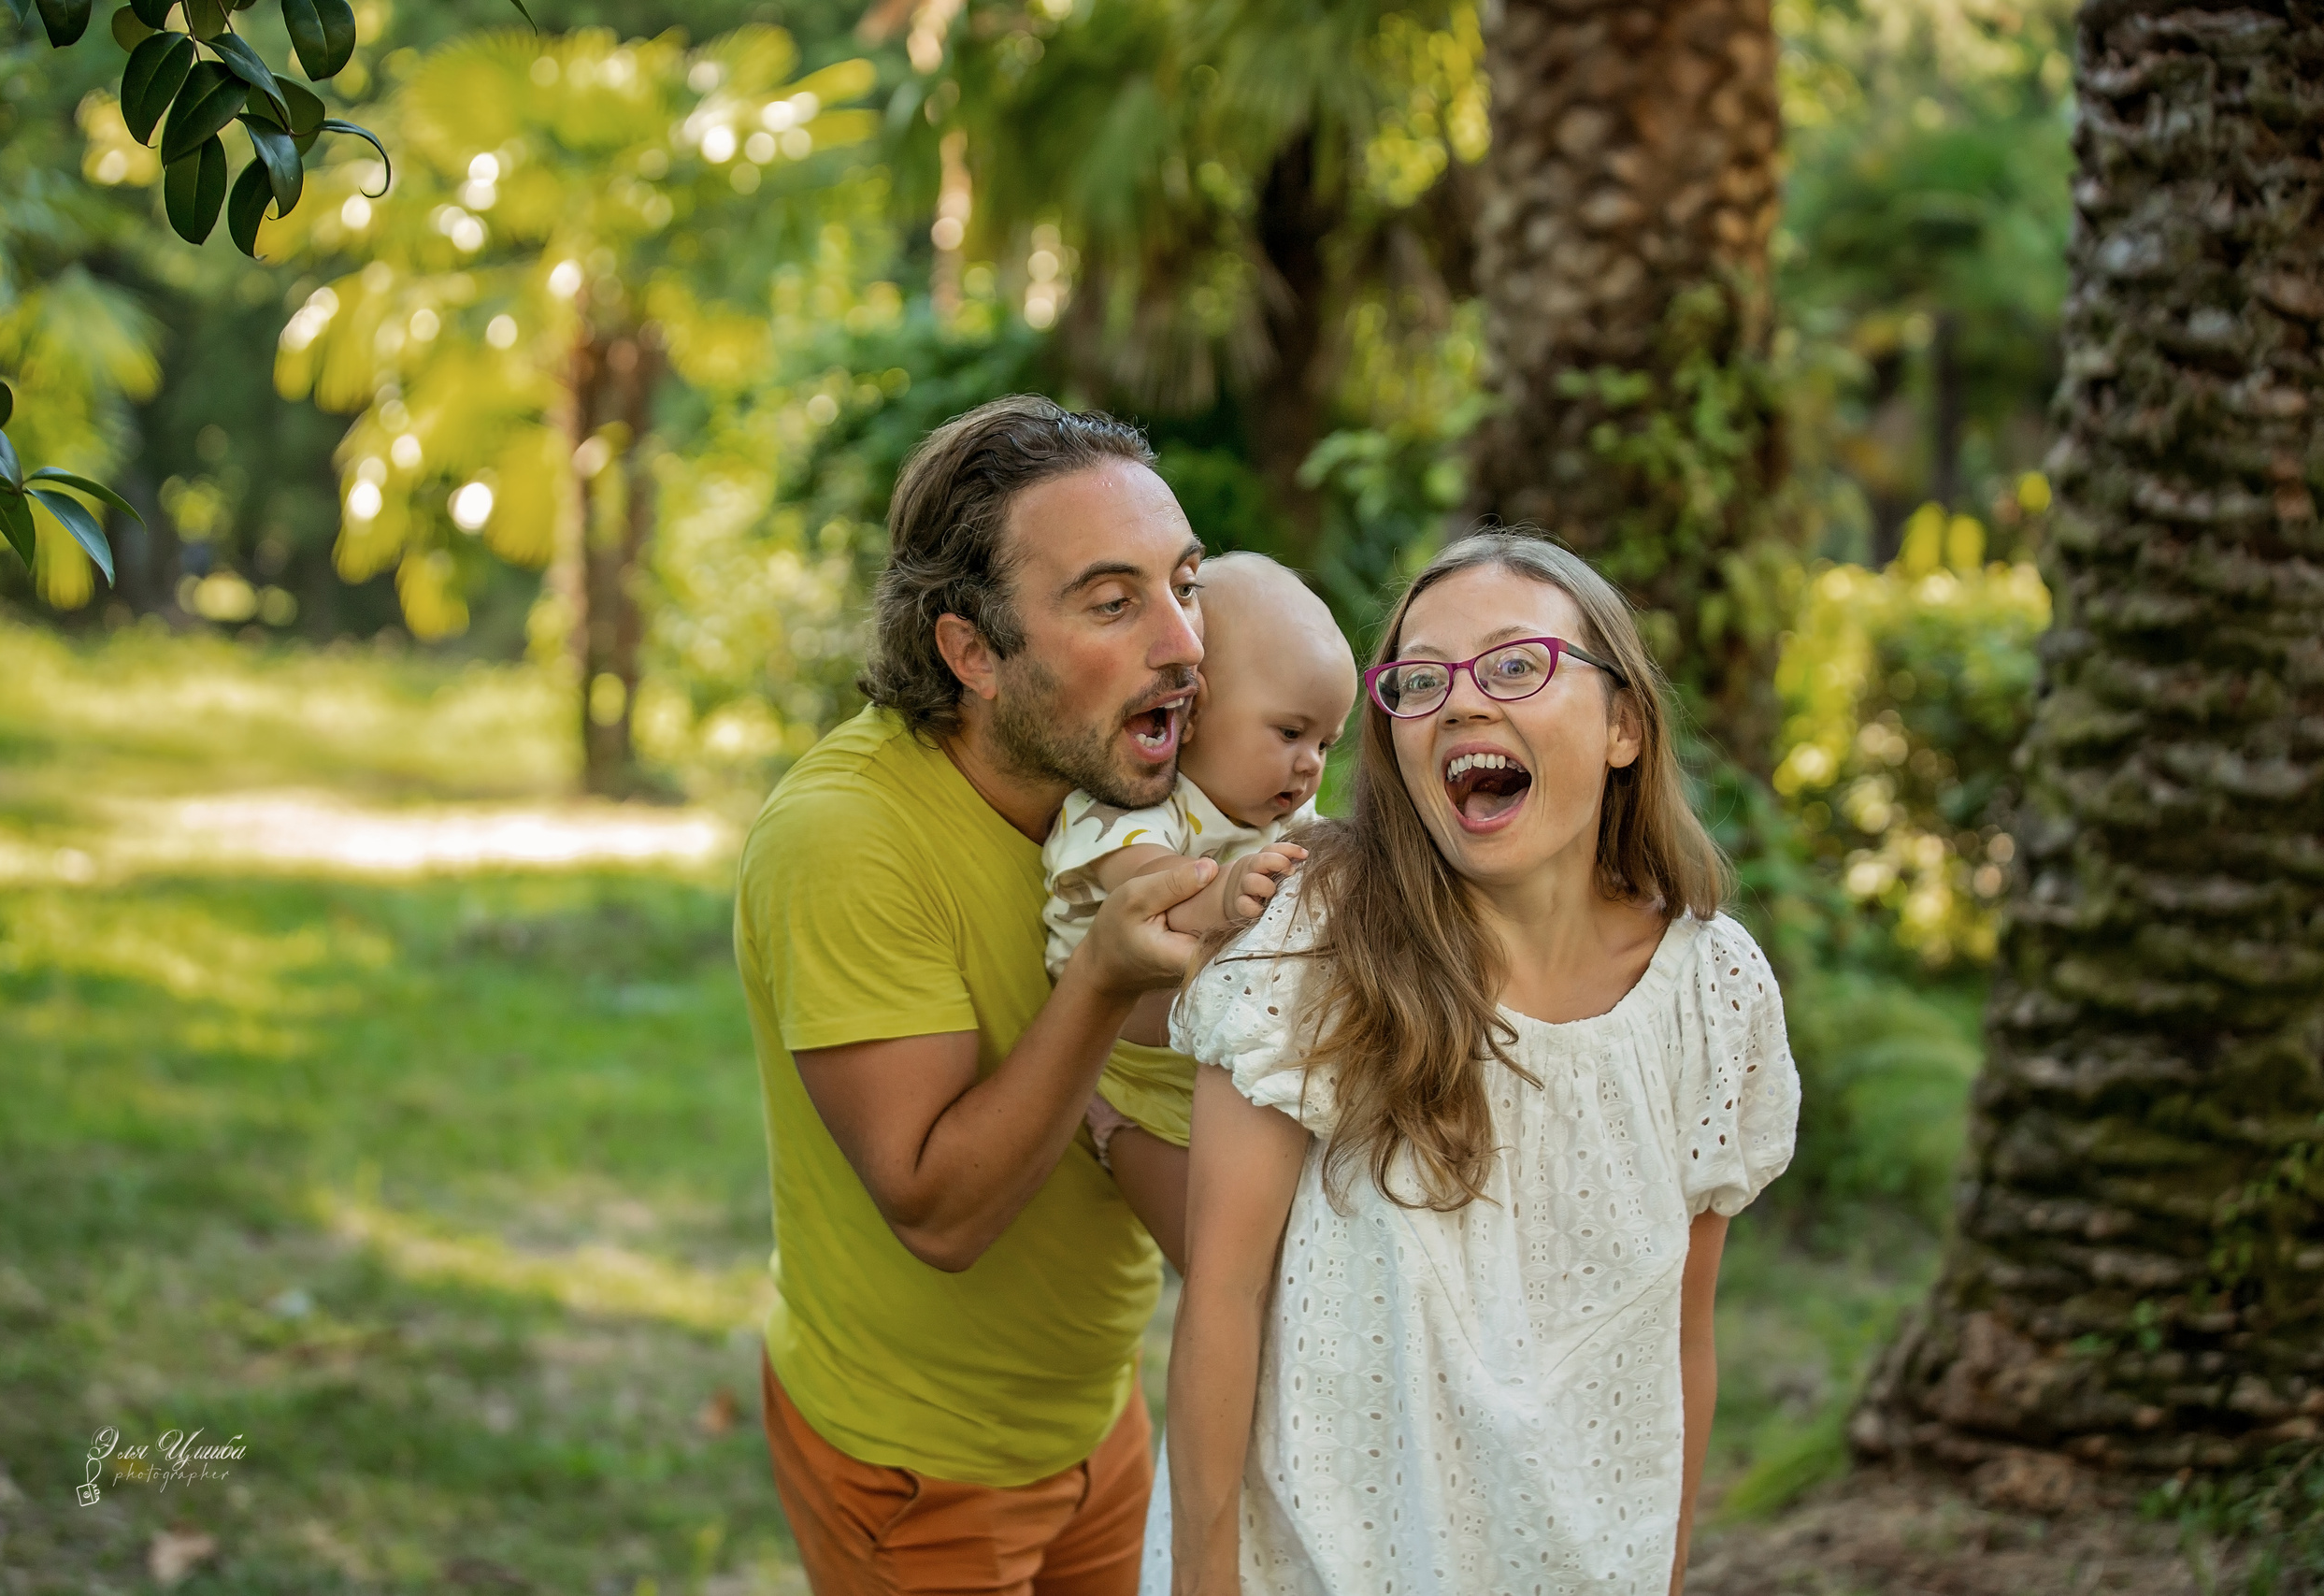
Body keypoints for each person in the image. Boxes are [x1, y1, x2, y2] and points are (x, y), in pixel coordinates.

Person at [1155, 531, 1800, 1596]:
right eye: (1420, 681)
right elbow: (1219, 1299)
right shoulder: (1315, 941)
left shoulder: (1712, 991)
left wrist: (1666, 1572)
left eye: (1514, 666)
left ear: (1623, 724)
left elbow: (1681, 1339)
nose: (1460, 704)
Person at [734, 395, 1224, 1596]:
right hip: (920, 1468)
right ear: (971, 654)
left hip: (1097, 1418)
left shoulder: (1127, 778)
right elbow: (938, 1212)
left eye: (1186, 582)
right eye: (1112, 603)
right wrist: (1103, 978)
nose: (1184, 642)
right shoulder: (847, 842)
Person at [1040, 553, 1358, 1270]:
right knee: (1215, 1263)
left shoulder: (1280, 812)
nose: (1310, 764)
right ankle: (1108, 1134)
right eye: (1289, 732)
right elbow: (1146, 892)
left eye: (1326, 743)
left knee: (1291, 1265)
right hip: (1132, 1080)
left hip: (1229, 1079)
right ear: (1198, 704)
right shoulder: (1133, 806)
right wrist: (1223, 891)